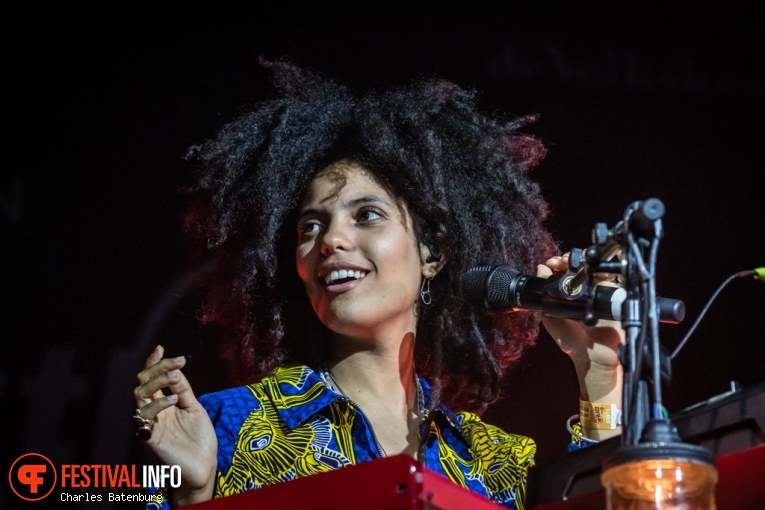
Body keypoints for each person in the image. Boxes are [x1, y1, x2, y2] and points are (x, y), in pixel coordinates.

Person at [133, 57, 624, 510]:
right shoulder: (227, 429)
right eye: (311, 226)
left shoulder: (497, 466)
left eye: (366, 215)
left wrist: (599, 377)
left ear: (433, 253)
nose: (331, 240)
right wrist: (192, 497)